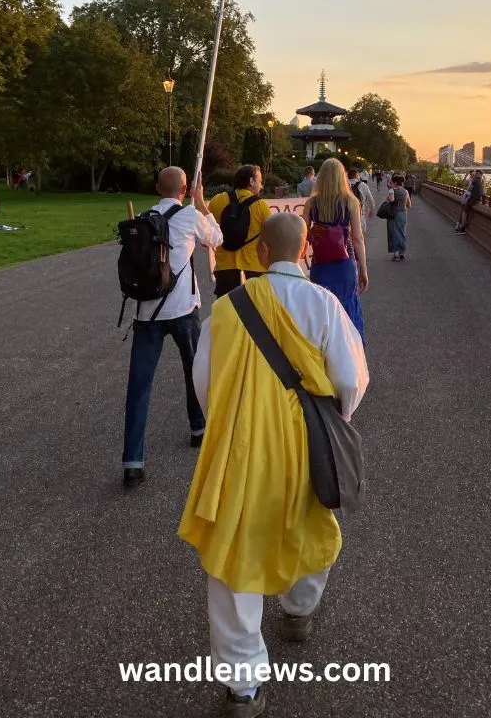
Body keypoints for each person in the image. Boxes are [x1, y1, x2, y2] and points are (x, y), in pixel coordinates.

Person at [178, 213, 369, 716]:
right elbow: (351, 380)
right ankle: (299, 610)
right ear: (305, 252)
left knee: (234, 553)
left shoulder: (226, 309)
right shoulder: (325, 305)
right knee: (310, 521)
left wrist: (235, 413)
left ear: (261, 255)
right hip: (304, 441)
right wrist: (336, 419)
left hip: (239, 444)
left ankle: (243, 687)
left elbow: (206, 383)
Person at [122, 167, 223, 488]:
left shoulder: (142, 217)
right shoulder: (190, 215)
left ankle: (133, 461)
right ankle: (197, 427)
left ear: (156, 188)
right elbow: (217, 239)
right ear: (184, 189)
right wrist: (202, 201)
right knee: (193, 371)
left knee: (139, 386)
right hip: (182, 309)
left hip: (146, 312)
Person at [302, 158, 368, 342]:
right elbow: (358, 238)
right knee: (347, 306)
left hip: (320, 263)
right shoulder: (351, 202)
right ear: (342, 177)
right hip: (345, 263)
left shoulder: (311, 203)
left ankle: (324, 349)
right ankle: (349, 350)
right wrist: (363, 269)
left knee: (323, 307)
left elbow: (303, 234)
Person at [208, 165, 271, 298]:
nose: (261, 186)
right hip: (255, 266)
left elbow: (208, 230)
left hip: (225, 266)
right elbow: (270, 236)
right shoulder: (261, 206)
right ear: (251, 181)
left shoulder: (217, 200)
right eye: (260, 181)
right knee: (256, 309)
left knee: (227, 309)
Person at [386, 174, 412, 261]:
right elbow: (409, 204)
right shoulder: (406, 191)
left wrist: (389, 197)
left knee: (394, 232)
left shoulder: (392, 190)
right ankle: (402, 252)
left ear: (395, 183)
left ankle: (396, 253)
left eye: (392, 182)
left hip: (394, 213)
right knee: (402, 231)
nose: (391, 184)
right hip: (403, 213)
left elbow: (391, 200)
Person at [347, 167, 375, 233]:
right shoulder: (363, 185)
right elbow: (370, 200)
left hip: (346, 218)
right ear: (357, 175)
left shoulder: (343, 185)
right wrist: (371, 209)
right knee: (360, 238)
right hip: (360, 215)